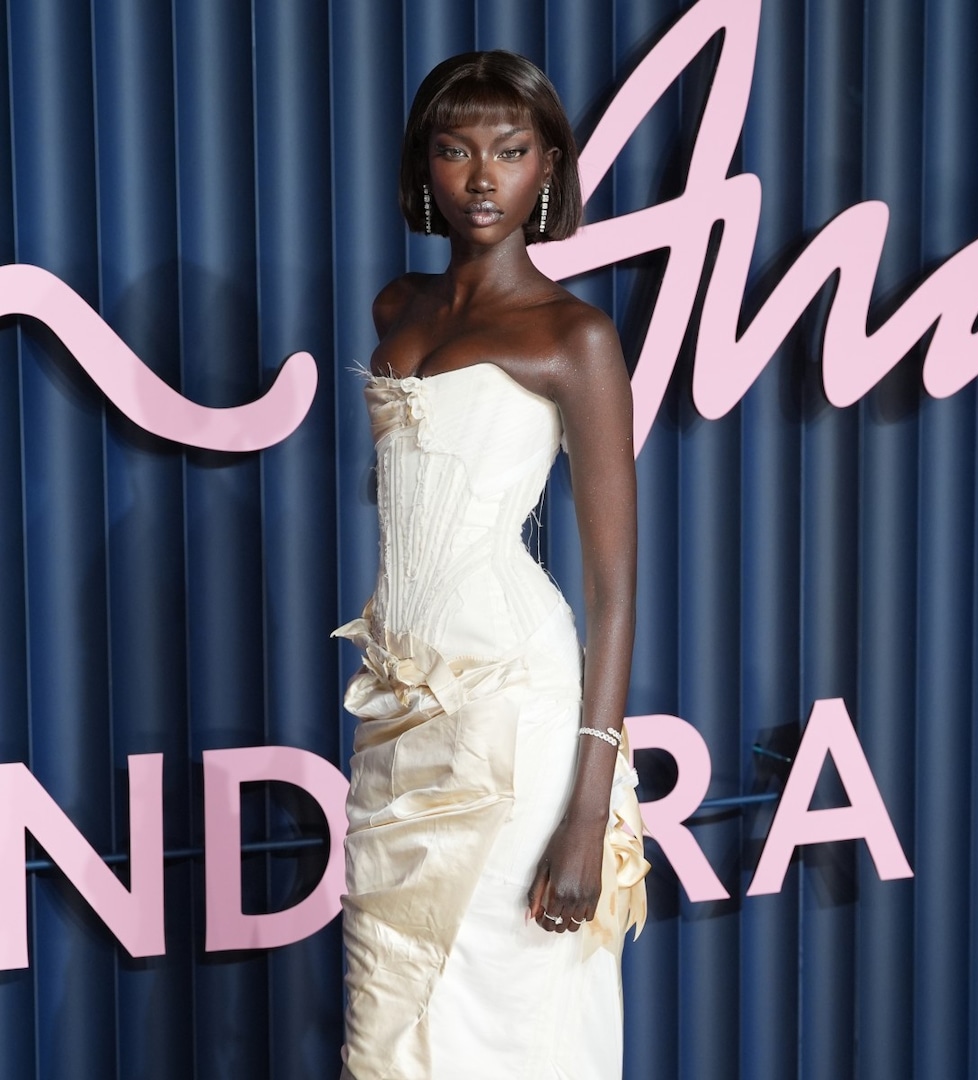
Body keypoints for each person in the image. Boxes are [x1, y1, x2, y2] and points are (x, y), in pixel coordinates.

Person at [333, 50, 647, 1080]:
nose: (480, 177)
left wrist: (588, 805)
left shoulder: (576, 336)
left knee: (511, 1012)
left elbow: (613, 589)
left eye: (509, 152)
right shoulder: (396, 307)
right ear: (423, 164)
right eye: (455, 149)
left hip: (515, 715)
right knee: (391, 1020)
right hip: (400, 713)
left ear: (547, 166)